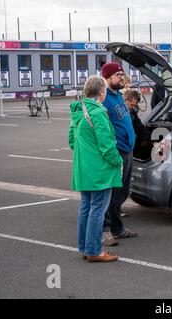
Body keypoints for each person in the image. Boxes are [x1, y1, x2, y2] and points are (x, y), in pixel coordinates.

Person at [69, 76, 123, 263]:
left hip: (83, 169)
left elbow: (71, 141)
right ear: (101, 92)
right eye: (105, 90)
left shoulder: (78, 110)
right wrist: (118, 161)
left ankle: (85, 247)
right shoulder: (98, 112)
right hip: (99, 170)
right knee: (98, 209)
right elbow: (107, 146)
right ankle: (94, 250)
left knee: (86, 207)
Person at [100, 62, 139, 247]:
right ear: (108, 77)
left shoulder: (118, 96)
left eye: (122, 75)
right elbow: (104, 128)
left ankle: (117, 228)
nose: (122, 78)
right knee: (111, 192)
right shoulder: (104, 97)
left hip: (127, 149)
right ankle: (105, 230)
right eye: (118, 75)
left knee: (121, 192)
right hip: (117, 151)